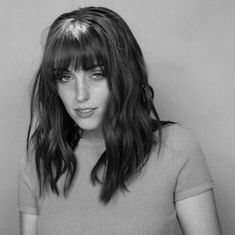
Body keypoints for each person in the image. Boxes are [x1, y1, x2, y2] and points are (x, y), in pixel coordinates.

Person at [17, 6, 222, 235]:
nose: (80, 94)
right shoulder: (41, 157)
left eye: (97, 74)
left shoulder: (176, 148)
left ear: (124, 74)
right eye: (65, 77)